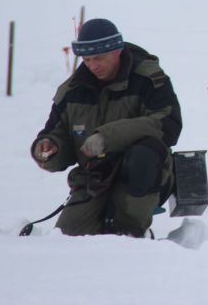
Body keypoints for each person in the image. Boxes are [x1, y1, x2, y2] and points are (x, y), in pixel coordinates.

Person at [30, 18, 183, 237]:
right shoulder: (72, 91)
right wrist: (48, 149)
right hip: (94, 179)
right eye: (87, 59)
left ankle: (131, 231)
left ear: (117, 49)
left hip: (146, 174)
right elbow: (57, 133)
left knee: (143, 155)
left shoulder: (147, 79)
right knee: (68, 238)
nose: (93, 65)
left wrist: (107, 137)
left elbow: (169, 124)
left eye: (99, 58)